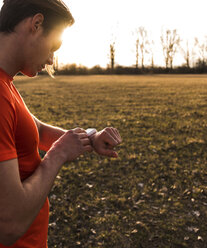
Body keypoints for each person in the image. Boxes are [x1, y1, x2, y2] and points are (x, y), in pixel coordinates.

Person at [0, 0, 122, 247]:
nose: (50, 60)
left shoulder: (6, 85)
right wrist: (57, 155)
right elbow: (8, 224)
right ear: (36, 24)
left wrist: (91, 139)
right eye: (53, 46)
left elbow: (38, 130)